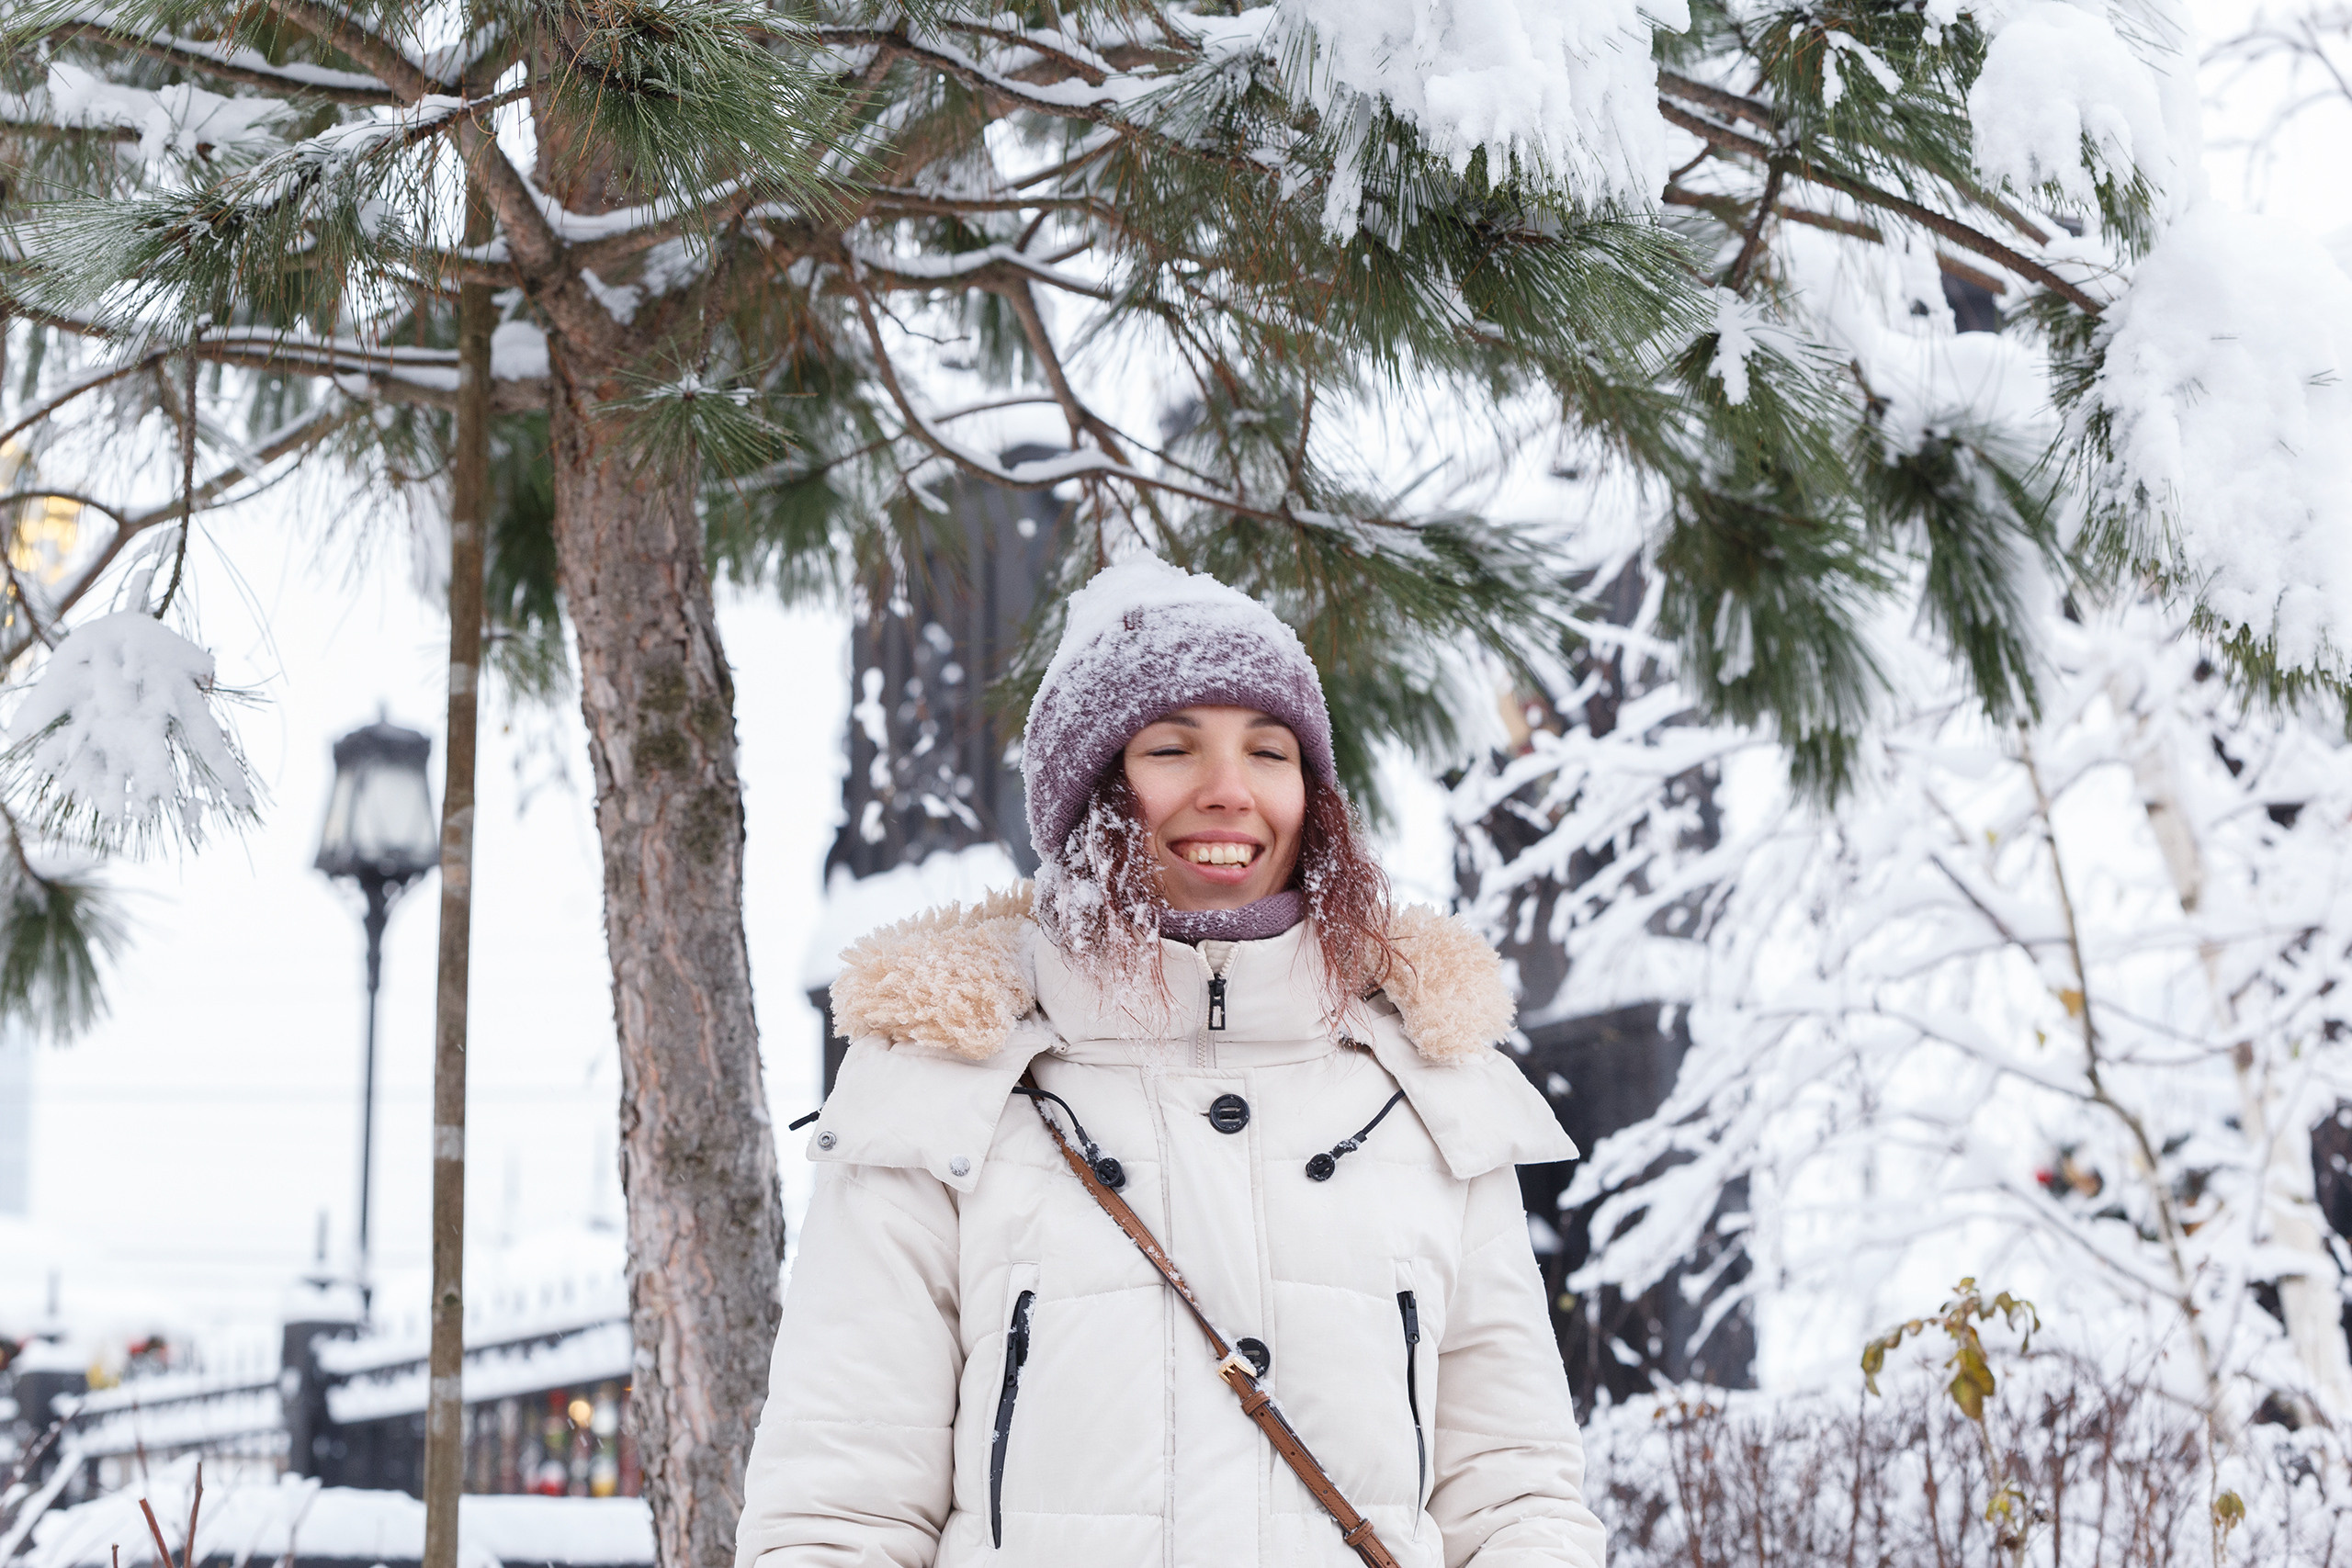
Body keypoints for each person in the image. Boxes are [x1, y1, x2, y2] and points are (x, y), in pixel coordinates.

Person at [735, 558, 1604, 1568]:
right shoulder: (940, 1093)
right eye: (1171, 747)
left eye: (1269, 752)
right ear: (1089, 792)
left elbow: (1517, 1495)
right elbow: (837, 1518)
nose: (1230, 791)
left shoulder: (1432, 1094)